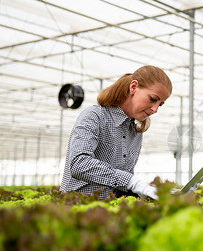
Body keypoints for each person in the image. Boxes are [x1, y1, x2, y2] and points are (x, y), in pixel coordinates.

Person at [60, 65, 172, 200]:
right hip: (77, 208)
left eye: (160, 104)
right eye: (153, 99)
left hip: (109, 211)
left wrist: (152, 192)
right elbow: (79, 163)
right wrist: (131, 182)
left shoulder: (135, 132)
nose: (155, 109)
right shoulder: (94, 116)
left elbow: (121, 184)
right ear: (133, 87)